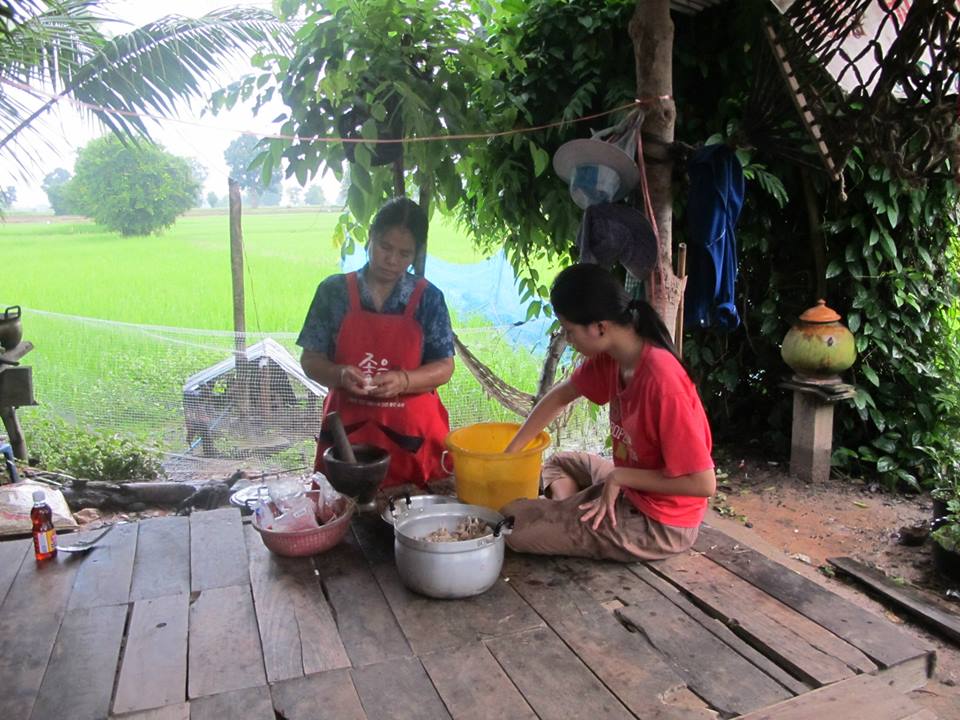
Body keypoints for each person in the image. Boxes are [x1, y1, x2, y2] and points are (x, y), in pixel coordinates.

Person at [502, 263, 715, 561]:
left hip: (662, 522)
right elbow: (559, 397)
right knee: (514, 508)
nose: (568, 339)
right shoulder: (613, 357)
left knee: (515, 535)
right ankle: (570, 511)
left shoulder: (663, 382)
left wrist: (619, 478)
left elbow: (703, 484)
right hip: (630, 489)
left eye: (569, 330)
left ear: (600, 327)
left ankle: (570, 517)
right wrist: (509, 453)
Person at [297, 197, 455, 488]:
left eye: (404, 253)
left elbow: (444, 367)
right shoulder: (334, 292)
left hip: (411, 438)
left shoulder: (428, 299)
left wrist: (404, 380)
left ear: (416, 253)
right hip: (347, 434)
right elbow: (311, 359)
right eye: (385, 247)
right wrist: (340, 374)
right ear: (370, 237)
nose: (392, 260)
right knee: (345, 516)